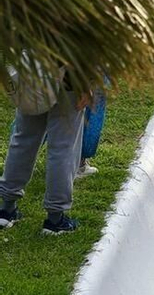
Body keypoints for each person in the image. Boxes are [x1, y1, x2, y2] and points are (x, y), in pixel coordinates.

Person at [0, 66, 88, 237]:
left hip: (32, 72)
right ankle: (55, 220)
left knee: (23, 140)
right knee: (63, 146)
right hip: (70, 79)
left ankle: (6, 209)